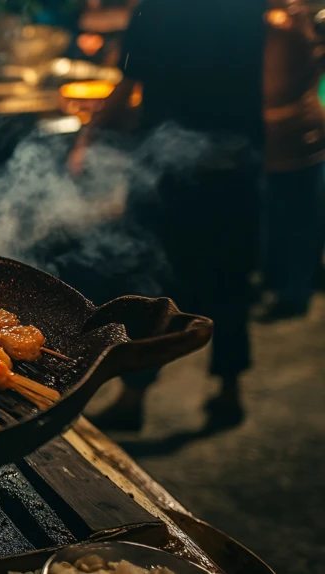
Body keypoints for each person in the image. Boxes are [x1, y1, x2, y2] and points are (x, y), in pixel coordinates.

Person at [69, 0, 266, 431]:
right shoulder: (250, 7)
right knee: (231, 276)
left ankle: (133, 395)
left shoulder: (159, 9)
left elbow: (128, 86)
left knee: (153, 280)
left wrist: (89, 136)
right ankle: (229, 390)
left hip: (168, 171)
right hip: (237, 159)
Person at [256, 0, 325, 322]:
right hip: (280, 140)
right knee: (285, 219)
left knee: (298, 220)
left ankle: (294, 290)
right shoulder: (282, 27)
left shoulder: (287, 28)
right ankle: (283, 281)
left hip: (296, 139)